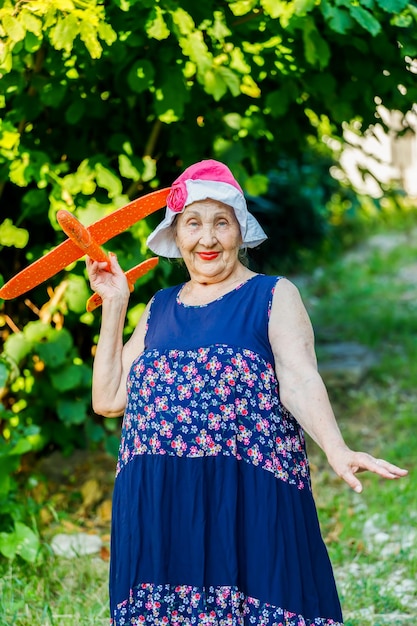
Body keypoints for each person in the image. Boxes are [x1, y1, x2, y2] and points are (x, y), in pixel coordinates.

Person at [86, 159, 407, 626]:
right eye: (192, 224)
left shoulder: (272, 296)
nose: (208, 238)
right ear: (176, 236)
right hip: (160, 502)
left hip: (244, 500)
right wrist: (115, 304)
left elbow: (298, 379)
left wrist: (336, 449)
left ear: (241, 230)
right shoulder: (158, 308)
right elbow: (109, 398)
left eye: (221, 222)